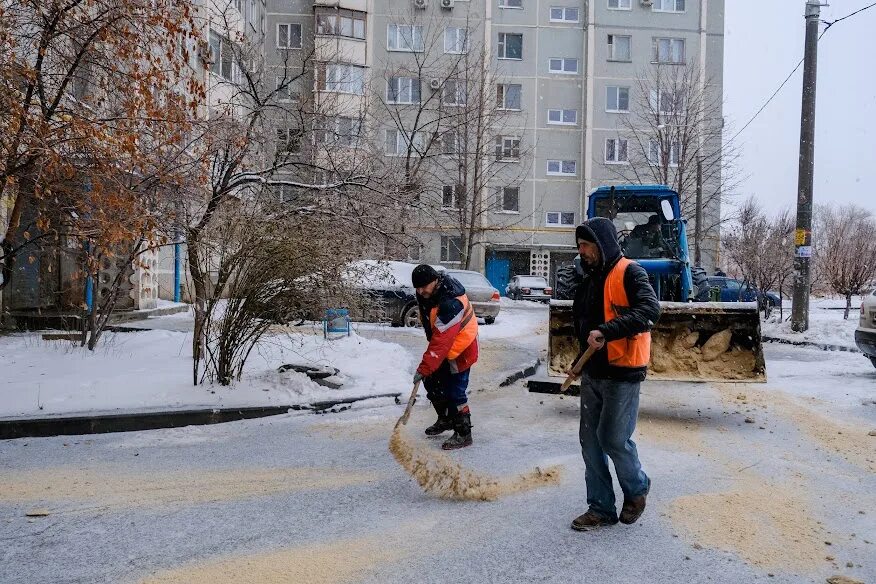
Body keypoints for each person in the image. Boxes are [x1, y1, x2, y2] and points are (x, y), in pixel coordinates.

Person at [567, 217, 661, 532]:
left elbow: (650, 311)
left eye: (586, 245)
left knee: (613, 439)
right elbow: (584, 325)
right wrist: (578, 360)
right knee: (589, 442)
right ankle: (601, 508)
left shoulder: (630, 272)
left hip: (623, 371)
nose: (581, 252)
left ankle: (636, 489)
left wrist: (607, 332)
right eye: (579, 246)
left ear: (602, 243)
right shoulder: (589, 279)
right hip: (593, 371)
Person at [410, 264, 479, 450]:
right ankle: (446, 419)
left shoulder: (450, 302)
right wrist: (429, 368)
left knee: (455, 391)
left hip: (461, 349)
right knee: (432, 382)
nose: (420, 291)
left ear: (435, 281)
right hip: (444, 346)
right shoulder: (428, 293)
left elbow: (441, 340)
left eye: (424, 286)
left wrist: (424, 366)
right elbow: (433, 331)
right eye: (417, 287)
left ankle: (464, 433)